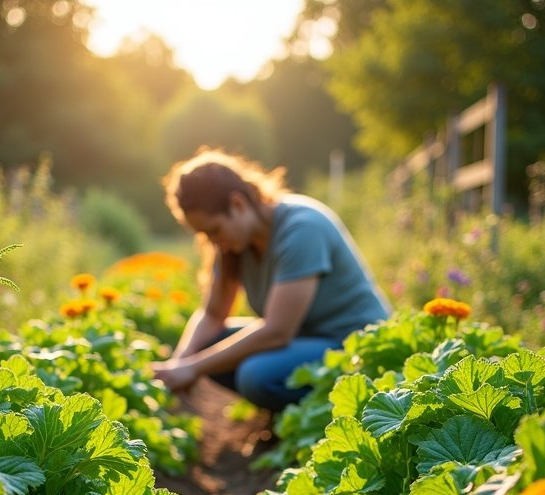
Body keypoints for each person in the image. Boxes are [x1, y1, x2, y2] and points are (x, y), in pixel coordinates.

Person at [152, 147, 391, 412]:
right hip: (304, 343)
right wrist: (180, 363)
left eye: (214, 230)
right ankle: (291, 420)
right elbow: (211, 314)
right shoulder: (234, 246)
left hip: (354, 346)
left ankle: (314, 424)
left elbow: (278, 332)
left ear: (238, 204)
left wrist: (193, 368)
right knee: (209, 343)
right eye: (204, 235)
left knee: (255, 375)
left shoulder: (302, 228)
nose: (212, 241)